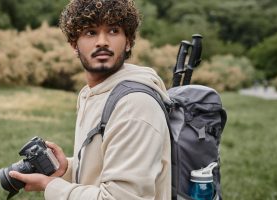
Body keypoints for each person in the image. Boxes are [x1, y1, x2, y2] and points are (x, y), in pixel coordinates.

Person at [9, 0, 171, 199]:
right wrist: (67, 168)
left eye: (113, 31)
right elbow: (104, 169)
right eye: (90, 32)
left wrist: (51, 186)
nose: (102, 41)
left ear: (128, 41)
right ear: (74, 45)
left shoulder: (135, 105)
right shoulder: (92, 94)